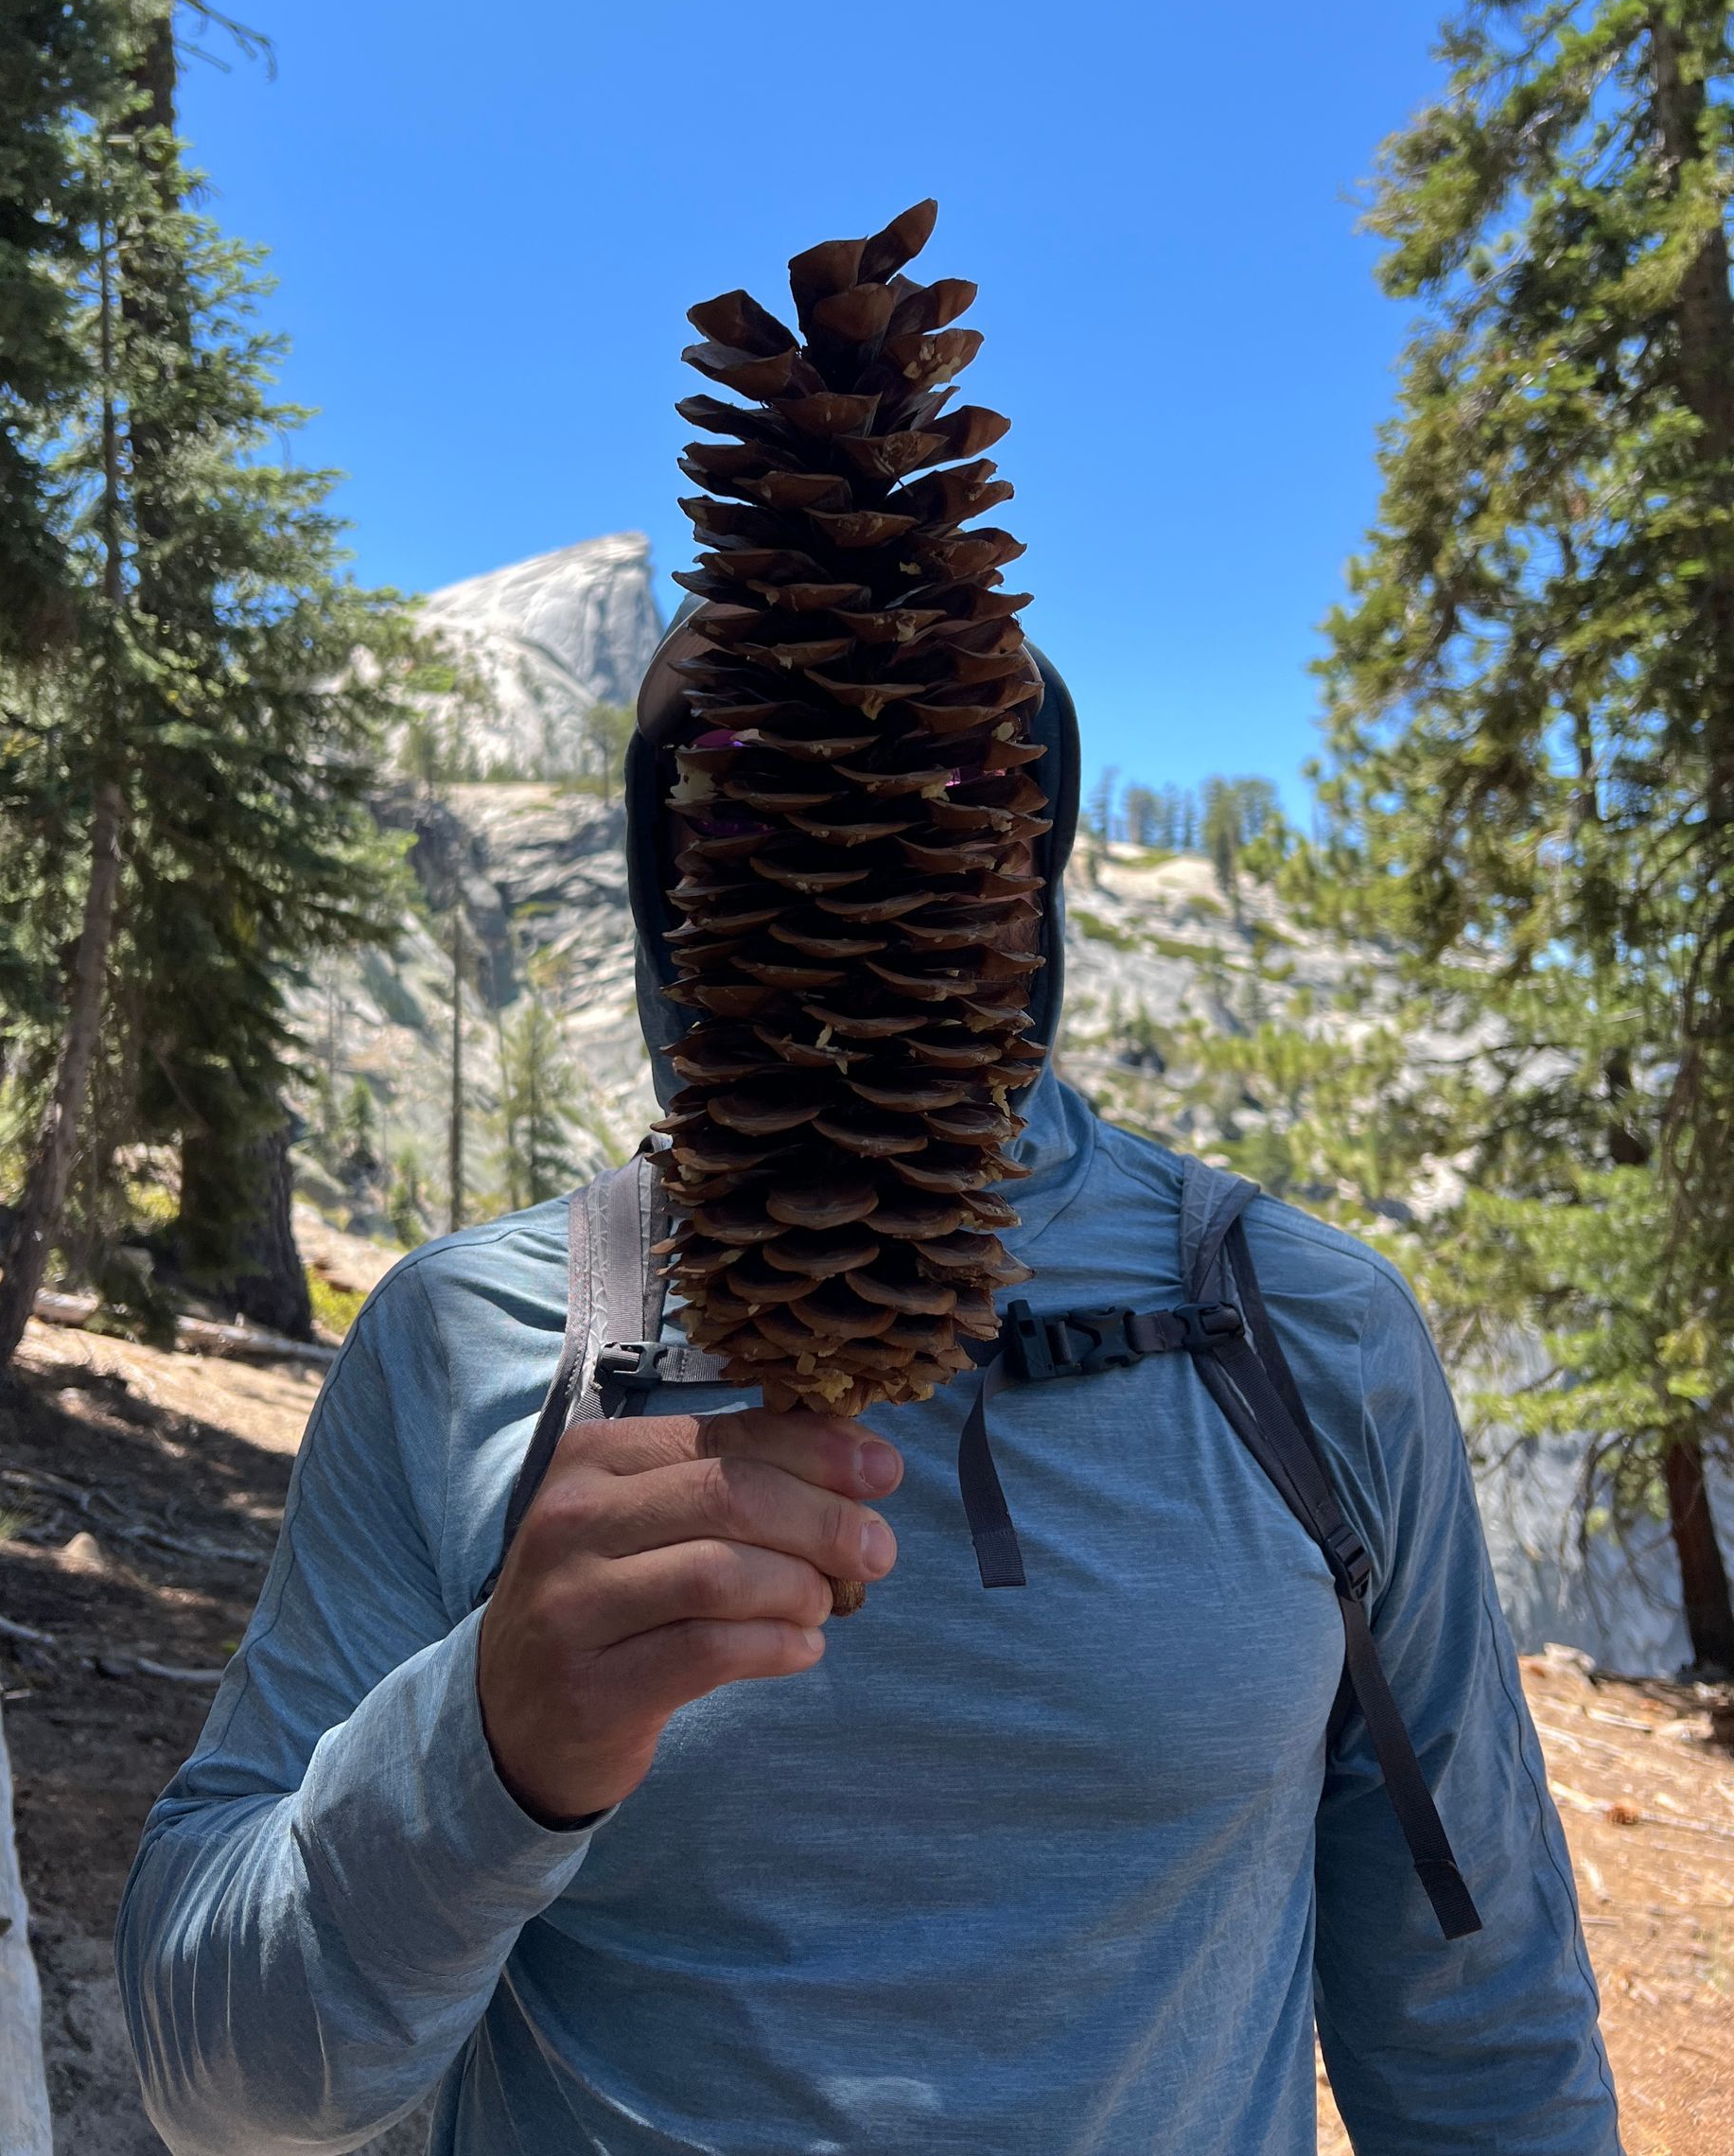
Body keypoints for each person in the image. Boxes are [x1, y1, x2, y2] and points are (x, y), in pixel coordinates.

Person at [116, 637, 1622, 2156]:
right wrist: (484, 1747)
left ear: (1021, 867)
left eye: (932, 807)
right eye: (747, 819)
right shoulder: (474, 1340)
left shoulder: (1303, 1340)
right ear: (667, 879)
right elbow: (214, 2088)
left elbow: (1484, 2030)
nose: (840, 897)